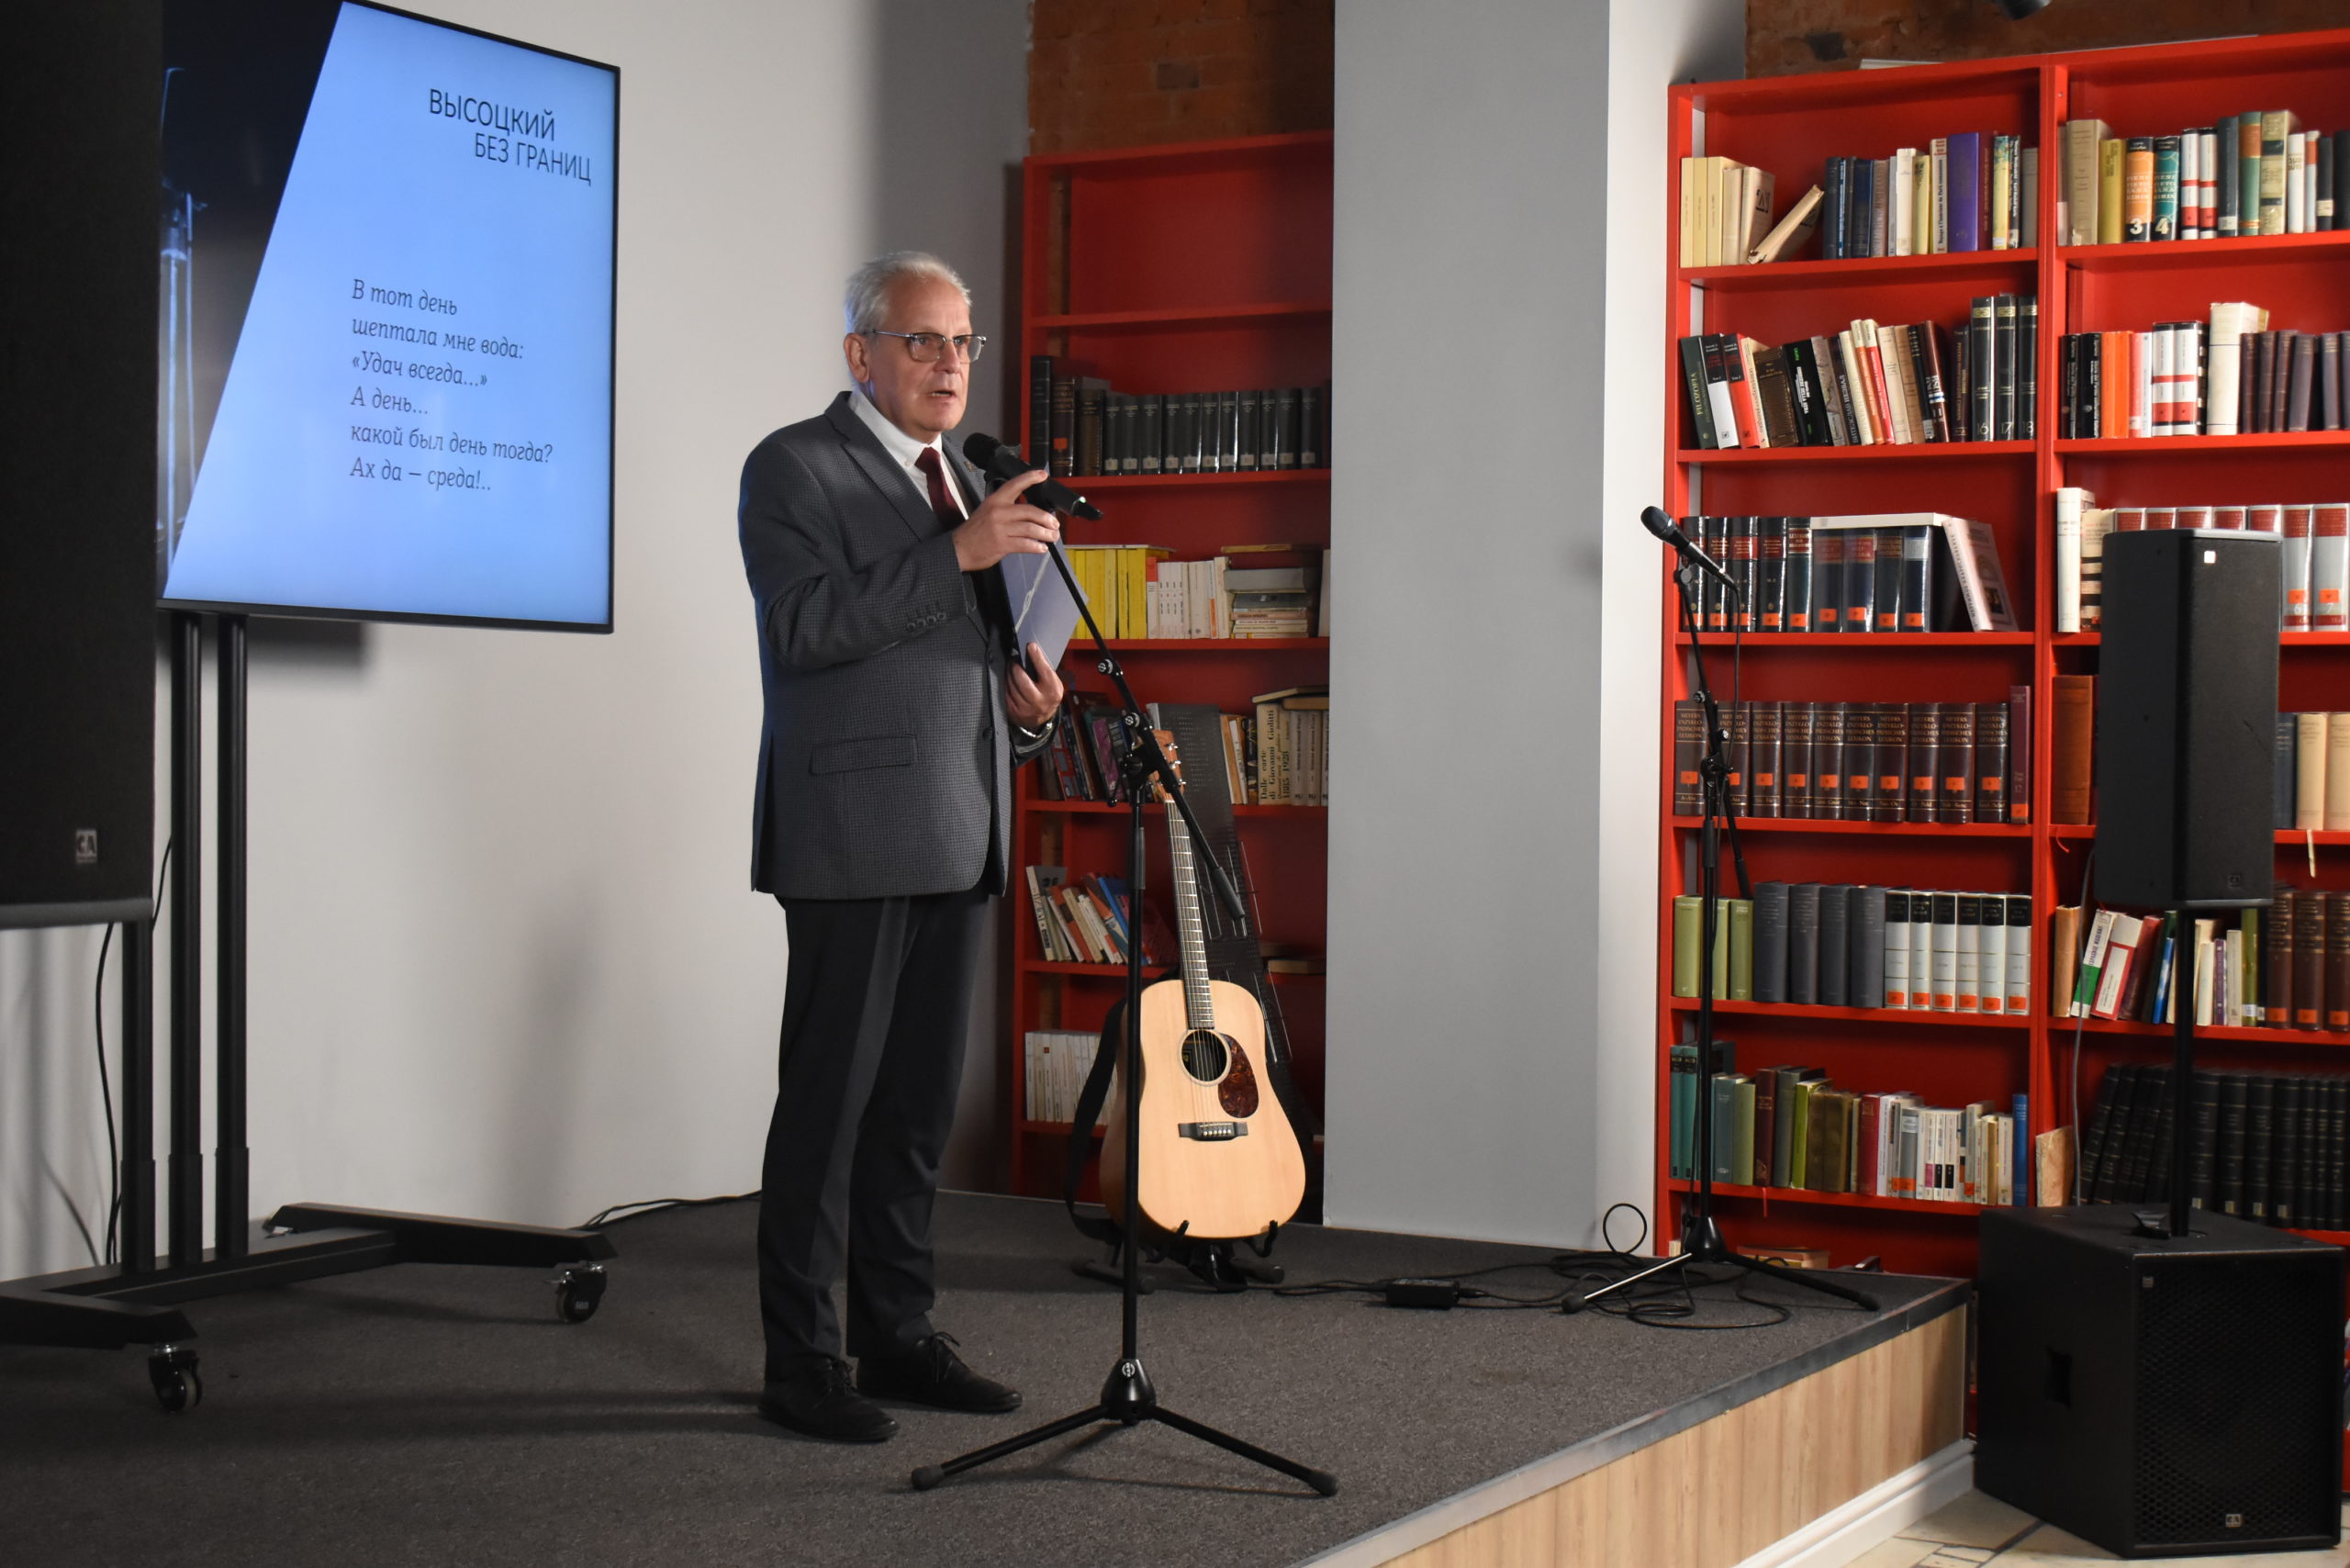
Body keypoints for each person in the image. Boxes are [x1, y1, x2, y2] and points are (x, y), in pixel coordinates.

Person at [736, 251, 1065, 1442]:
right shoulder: (795, 465)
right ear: (861, 354)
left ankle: (898, 1333)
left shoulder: (964, 479)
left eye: (963, 342)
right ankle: (801, 1362)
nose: (950, 363)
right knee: (828, 1112)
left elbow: (958, 662)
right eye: (923, 340)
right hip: (853, 833)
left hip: (963, 824)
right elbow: (802, 626)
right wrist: (959, 554)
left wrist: (1030, 717)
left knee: (917, 1113)